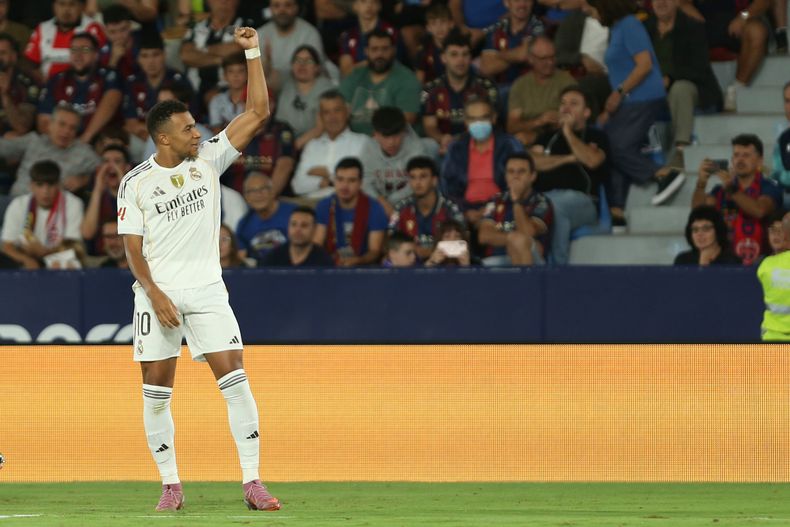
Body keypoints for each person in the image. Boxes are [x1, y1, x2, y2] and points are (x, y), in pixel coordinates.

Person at [116, 27, 280, 512]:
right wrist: (155, 294)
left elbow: (258, 112)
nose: (197, 132)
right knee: (156, 393)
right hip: (157, 295)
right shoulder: (135, 183)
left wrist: (252, 52)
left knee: (236, 380)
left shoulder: (208, 158)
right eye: (188, 128)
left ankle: (252, 482)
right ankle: (170, 485)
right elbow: (132, 249)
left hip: (207, 290)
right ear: (163, 138)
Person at [587, 0, 679, 226]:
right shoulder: (617, 28)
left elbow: (644, 64)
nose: (588, 12)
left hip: (644, 98)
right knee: (606, 142)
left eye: (591, 7)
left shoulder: (630, 24)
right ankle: (617, 210)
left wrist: (619, 93)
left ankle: (663, 173)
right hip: (628, 102)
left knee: (615, 146)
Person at [530, 85, 609, 265]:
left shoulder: (596, 136)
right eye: (563, 103)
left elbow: (591, 160)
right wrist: (570, 158)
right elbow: (533, 163)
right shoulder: (547, 137)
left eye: (573, 104)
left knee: (555, 208)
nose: (566, 108)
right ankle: (536, 266)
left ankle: (558, 268)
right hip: (543, 198)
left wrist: (567, 132)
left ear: (586, 112)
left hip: (582, 201)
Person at [645, 0, 722, 169]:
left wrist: (670, 78)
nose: (661, 2)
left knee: (680, 89)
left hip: (693, 86)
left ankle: (681, 150)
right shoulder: (644, 28)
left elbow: (699, 67)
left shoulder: (693, 27)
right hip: (653, 88)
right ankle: (643, 154)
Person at [692, 134, 782, 265]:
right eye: (736, 155)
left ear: (759, 161)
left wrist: (732, 189)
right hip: (724, 263)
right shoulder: (720, 191)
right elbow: (698, 215)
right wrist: (701, 184)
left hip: (762, 263)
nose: (740, 160)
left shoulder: (769, 187)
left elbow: (760, 210)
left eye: (746, 155)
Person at [442, 97, 524, 227]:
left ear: (493, 118)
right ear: (466, 122)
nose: (478, 123)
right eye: (473, 119)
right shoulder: (456, 148)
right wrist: (466, 211)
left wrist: (491, 208)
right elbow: (448, 187)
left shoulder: (510, 145)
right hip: (465, 211)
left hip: (502, 207)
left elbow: (520, 182)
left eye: (483, 118)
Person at [683, 0, 771, 112]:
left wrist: (743, 17)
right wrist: (693, 15)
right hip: (701, 22)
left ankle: (736, 89)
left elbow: (763, 2)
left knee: (757, 32)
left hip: (736, 23)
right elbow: (681, 3)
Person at [421, 30, 498, 156]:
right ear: (443, 58)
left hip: (478, 143)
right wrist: (442, 139)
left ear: (470, 57)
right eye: (454, 54)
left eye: (465, 54)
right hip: (443, 146)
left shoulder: (486, 87)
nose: (460, 60)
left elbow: (491, 123)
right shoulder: (430, 90)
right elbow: (429, 126)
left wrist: (460, 141)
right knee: (429, 147)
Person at [37, 31, 122, 144]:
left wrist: (86, 137)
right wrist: (63, 141)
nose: (78, 55)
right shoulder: (56, 80)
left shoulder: (108, 76)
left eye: (85, 50)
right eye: (74, 50)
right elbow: (43, 120)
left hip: (97, 139)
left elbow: (111, 101)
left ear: (96, 55)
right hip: (60, 142)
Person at [1, 104, 100, 197]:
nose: (66, 131)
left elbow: (106, 171)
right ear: (50, 125)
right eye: (62, 124)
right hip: (16, 201)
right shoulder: (34, 140)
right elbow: (3, 147)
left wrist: (84, 180)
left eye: (72, 128)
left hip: (52, 206)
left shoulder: (83, 152)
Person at [1, 160, 84, 269]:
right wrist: (26, 260)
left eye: (51, 185)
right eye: (39, 185)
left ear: (59, 185)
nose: (45, 191)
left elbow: (74, 247)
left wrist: (44, 253)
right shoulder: (18, 204)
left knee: (68, 264)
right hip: (26, 259)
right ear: (31, 186)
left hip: (59, 260)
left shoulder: (73, 203)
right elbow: (7, 246)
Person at [338, 28, 421, 135]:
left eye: (385, 49)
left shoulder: (407, 78)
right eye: (374, 49)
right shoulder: (355, 75)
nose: (379, 54)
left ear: (393, 50)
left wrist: (376, 139)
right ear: (366, 51)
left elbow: (407, 119)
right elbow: (338, 109)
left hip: (392, 139)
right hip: (355, 139)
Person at [477, 151, 553, 266]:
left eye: (521, 171)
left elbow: (528, 233)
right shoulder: (496, 200)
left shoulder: (541, 202)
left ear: (532, 176)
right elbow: (484, 236)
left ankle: (524, 278)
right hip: (498, 259)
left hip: (533, 262)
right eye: (511, 172)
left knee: (519, 241)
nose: (515, 176)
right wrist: (511, 238)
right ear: (506, 176)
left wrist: (516, 201)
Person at [291, 89, 368, 199]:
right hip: (311, 204)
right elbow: (297, 186)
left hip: (345, 203)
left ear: (347, 112)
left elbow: (364, 183)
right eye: (326, 112)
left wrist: (327, 174)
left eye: (337, 110)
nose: (332, 117)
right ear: (320, 116)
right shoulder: (312, 146)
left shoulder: (363, 142)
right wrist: (325, 182)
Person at [313, 157, 388, 266]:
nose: (344, 186)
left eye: (351, 180)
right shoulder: (324, 205)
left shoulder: (375, 208)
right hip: (329, 266)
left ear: (360, 183)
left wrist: (358, 260)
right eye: (340, 179)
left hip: (363, 269)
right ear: (334, 180)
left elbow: (374, 251)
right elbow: (317, 245)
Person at [389, 156, 465, 261]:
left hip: (443, 265)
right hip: (410, 266)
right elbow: (391, 243)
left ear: (434, 180)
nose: (417, 182)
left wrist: (430, 252)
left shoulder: (451, 208)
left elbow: (462, 243)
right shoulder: (401, 208)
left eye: (423, 177)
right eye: (413, 177)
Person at [123, 31, 193, 143]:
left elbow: (187, 120)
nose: (151, 62)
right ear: (138, 59)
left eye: (156, 55)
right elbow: (131, 124)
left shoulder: (179, 81)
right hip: (143, 138)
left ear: (164, 55)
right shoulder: (133, 83)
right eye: (144, 56)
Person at [507, 36, 576, 146]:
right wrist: (539, 121)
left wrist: (560, 118)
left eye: (552, 57)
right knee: (518, 140)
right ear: (531, 59)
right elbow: (512, 126)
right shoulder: (520, 85)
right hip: (527, 136)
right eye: (543, 58)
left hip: (558, 136)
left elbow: (576, 117)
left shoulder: (567, 81)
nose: (550, 62)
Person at [360, 106, 428, 217]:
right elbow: (365, 181)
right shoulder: (368, 148)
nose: (391, 142)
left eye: (396, 135)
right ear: (375, 134)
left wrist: (390, 202)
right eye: (385, 136)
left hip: (410, 204)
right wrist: (381, 201)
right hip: (378, 203)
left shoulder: (416, 149)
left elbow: (419, 182)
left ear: (404, 132)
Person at [24, 0, 106, 82]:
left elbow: (102, 61)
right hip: (47, 85)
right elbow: (30, 63)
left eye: (72, 4)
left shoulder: (92, 28)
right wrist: (43, 82)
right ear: (54, 7)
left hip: (83, 85)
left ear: (82, 7)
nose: (66, 10)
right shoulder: (42, 29)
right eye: (61, 4)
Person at [256, 0, 325, 90]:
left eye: (288, 5)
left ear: (296, 8)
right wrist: (267, 63)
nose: (282, 11)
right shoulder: (260, 34)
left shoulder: (310, 33)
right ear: (270, 9)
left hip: (304, 86)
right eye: (276, 6)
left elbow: (316, 71)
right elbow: (256, 73)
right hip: (270, 89)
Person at [274, 45, 333, 151]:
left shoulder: (326, 89)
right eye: (298, 60)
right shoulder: (286, 85)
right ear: (292, 66)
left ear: (317, 67)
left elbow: (321, 127)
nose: (302, 65)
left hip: (316, 146)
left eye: (308, 61)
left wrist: (294, 147)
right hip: (283, 143)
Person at [479, 0, 545, 88]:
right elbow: (486, 68)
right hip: (501, 87)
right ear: (506, 3)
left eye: (527, 0)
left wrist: (499, 55)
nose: (522, 4)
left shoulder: (538, 26)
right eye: (516, 0)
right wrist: (517, 55)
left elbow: (523, 55)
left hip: (529, 88)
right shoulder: (497, 28)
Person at [235, 171, 296, 265]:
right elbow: (241, 258)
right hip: (259, 272)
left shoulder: (294, 213)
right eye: (252, 191)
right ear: (246, 197)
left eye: (263, 189)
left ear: (272, 192)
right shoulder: (244, 224)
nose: (258, 194)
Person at [81, 144, 129, 255]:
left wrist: (124, 183)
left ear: (127, 167)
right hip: (100, 257)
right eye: (106, 162)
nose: (111, 166)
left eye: (117, 162)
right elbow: (87, 233)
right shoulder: (92, 195)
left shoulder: (139, 194)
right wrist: (98, 189)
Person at [338, 0, 396, 77]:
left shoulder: (390, 32)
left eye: (373, 2)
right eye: (363, 1)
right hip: (358, 81)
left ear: (379, 6)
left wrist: (360, 65)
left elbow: (395, 64)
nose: (369, 6)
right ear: (355, 6)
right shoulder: (348, 36)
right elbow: (345, 72)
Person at [262, 206, 334, 266]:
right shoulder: (273, 258)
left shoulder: (324, 261)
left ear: (314, 229)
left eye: (304, 225)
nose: (298, 230)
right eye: (293, 224)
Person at [756, 211, 790, 341]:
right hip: (772, 336)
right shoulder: (764, 265)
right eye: (772, 230)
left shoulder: (764, 266)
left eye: (781, 230)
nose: (776, 234)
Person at [673, 205, 741, 265]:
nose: (699, 234)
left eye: (706, 229)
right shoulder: (682, 261)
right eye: (695, 230)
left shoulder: (732, 262)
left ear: (718, 230)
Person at [0, 32, 37, 137]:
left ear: (14, 56)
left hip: (15, 140)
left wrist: (5, 95)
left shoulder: (27, 82)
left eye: (2, 53)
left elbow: (22, 127)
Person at [414, 2, 454, 84]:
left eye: (443, 22)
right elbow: (419, 80)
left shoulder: (458, 46)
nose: (439, 27)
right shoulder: (424, 49)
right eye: (434, 23)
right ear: (428, 28)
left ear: (451, 24)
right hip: (432, 89)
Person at [208, 52, 247, 133]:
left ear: (247, 74)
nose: (236, 76)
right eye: (231, 71)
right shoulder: (216, 101)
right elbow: (216, 130)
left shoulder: (254, 99)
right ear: (225, 76)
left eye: (240, 71)